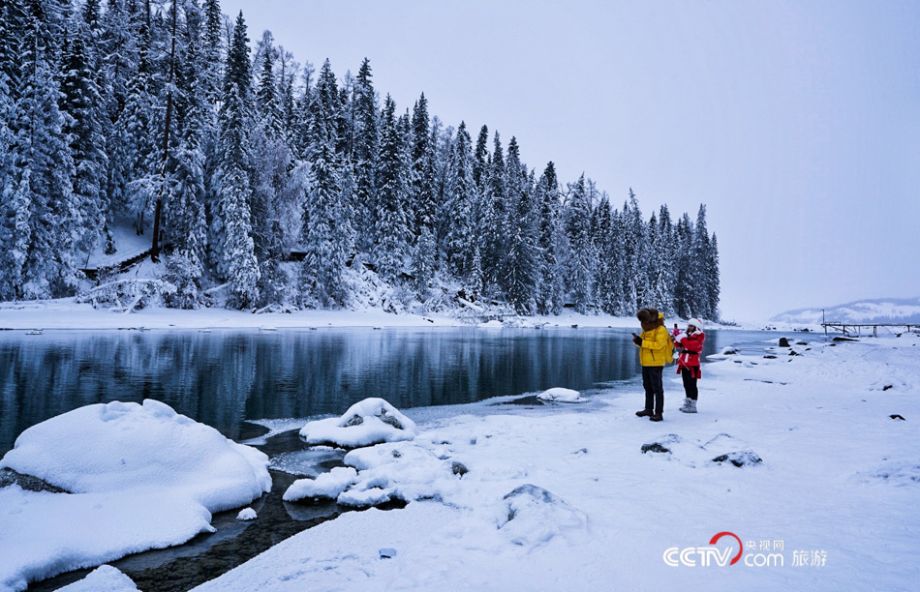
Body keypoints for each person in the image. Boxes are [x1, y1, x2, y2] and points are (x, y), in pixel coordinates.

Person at [632, 308, 670, 422]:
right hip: (646, 362)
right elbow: (644, 344)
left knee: (657, 388)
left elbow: (659, 345)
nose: (643, 323)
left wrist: (642, 342)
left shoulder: (661, 329)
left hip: (656, 363)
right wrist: (638, 341)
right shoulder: (647, 329)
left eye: (644, 320)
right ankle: (648, 409)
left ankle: (659, 413)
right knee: (647, 387)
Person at [674, 318, 705, 413]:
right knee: (686, 384)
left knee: (692, 384)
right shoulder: (686, 335)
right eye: (689, 325)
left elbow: (691, 346)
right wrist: (676, 336)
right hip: (684, 362)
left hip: (693, 364)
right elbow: (677, 345)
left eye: (691, 326)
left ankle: (693, 406)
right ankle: (687, 403)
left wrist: (681, 338)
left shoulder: (700, 336)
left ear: (696, 327)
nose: (689, 327)